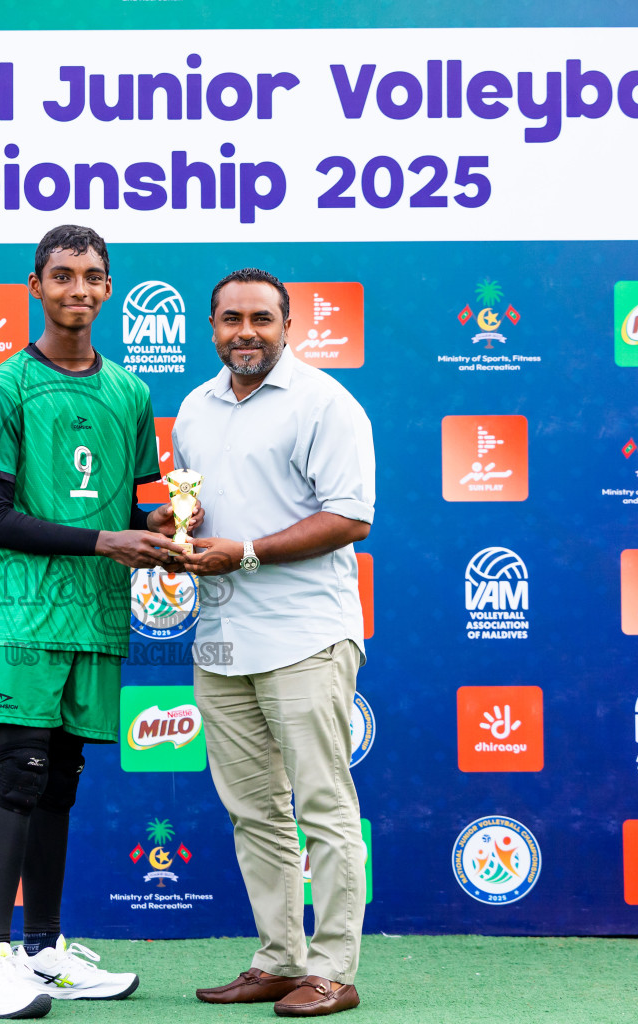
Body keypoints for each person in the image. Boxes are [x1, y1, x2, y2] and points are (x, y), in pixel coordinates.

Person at [0, 225, 193, 1019]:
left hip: (97, 613)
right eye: (62, 276)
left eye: (93, 276)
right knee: (20, 775)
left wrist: (168, 525)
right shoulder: (5, 386)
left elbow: (130, 508)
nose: (78, 290)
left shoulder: (129, 392)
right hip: (27, 613)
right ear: (35, 285)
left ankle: (44, 949)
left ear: (109, 288)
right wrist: (104, 538)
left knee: (61, 783)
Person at [175, 268, 376, 1018]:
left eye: (262, 318)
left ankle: (333, 969)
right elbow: (203, 508)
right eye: (232, 319)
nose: (246, 332)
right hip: (221, 640)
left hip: (305, 635)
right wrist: (178, 532)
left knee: (323, 806)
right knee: (254, 810)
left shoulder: (325, 403)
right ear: (213, 326)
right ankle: (280, 959)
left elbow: (351, 517)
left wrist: (248, 552)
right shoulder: (194, 408)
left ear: (288, 326)